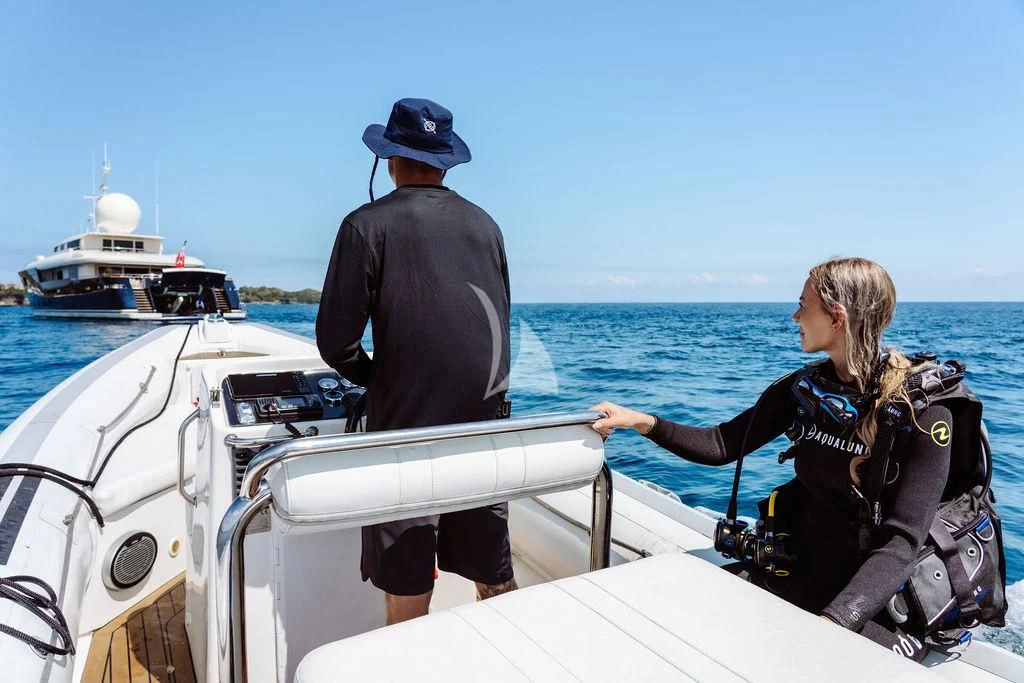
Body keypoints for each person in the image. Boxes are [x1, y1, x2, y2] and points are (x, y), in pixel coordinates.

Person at [591, 257, 952, 660]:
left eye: (803, 304)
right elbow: (724, 443)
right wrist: (640, 421)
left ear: (837, 317)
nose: (795, 315)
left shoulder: (922, 414)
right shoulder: (806, 391)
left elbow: (901, 544)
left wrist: (832, 623)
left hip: (872, 608)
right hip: (800, 577)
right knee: (672, 616)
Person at [316, 98, 516, 625]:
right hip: (483, 429)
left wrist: (380, 379)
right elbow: (496, 323)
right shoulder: (487, 226)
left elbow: (335, 343)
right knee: (492, 573)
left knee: (407, 583)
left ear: (388, 159)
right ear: (446, 159)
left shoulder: (365, 225)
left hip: (404, 431)